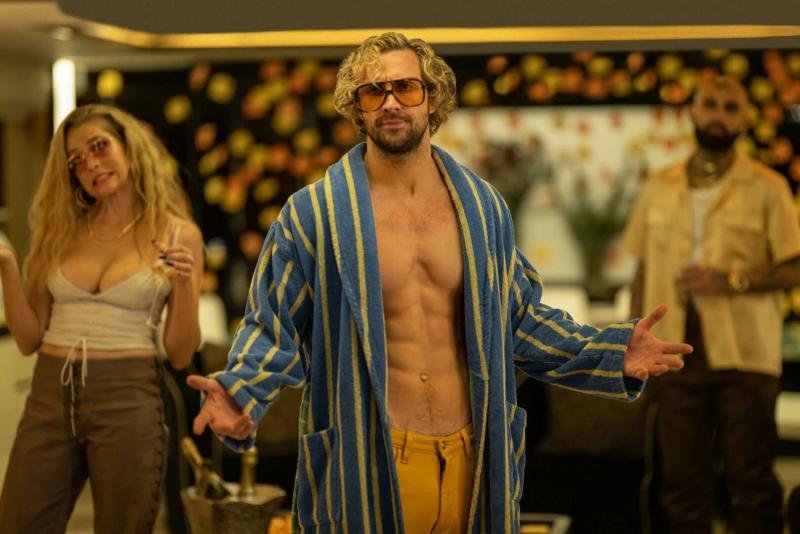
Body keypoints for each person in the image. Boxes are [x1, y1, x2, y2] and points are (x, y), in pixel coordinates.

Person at [188, 32, 691, 533]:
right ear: (357, 108)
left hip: (473, 456)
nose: (390, 102)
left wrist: (610, 351)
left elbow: (520, 320)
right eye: (373, 92)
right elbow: (271, 326)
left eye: (406, 87)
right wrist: (240, 390)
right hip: (368, 459)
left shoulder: (482, 207)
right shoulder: (314, 214)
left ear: (433, 99)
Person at [0, 104, 204, 533]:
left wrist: (185, 285)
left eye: (99, 147)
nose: (91, 164)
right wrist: (7, 267)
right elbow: (29, 339)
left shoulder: (177, 233)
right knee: (19, 522)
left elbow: (181, 353)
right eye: (76, 161)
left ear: (128, 146)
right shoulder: (58, 231)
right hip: (50, 394)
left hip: (128, 397)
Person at [622, 75, 800, 533]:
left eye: (730, 107)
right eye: (711, 105)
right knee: (680, 486)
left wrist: (732, 281)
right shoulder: (659, 185)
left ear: (745, 119)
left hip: (745, 353)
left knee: (752, 483)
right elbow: (641, 271)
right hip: (672, 354)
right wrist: (631, 341)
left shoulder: (768, 187)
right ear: (693, 112)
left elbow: (794, 267)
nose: (719, 116)